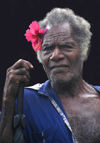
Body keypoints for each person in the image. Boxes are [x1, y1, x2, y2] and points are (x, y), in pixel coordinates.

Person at [0, 8, 100, 143]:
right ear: (40, 57)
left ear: (83, 51)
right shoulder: (26, 101)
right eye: (47, 48)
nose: (56, 55)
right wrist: (7, 101)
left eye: (66, 46)